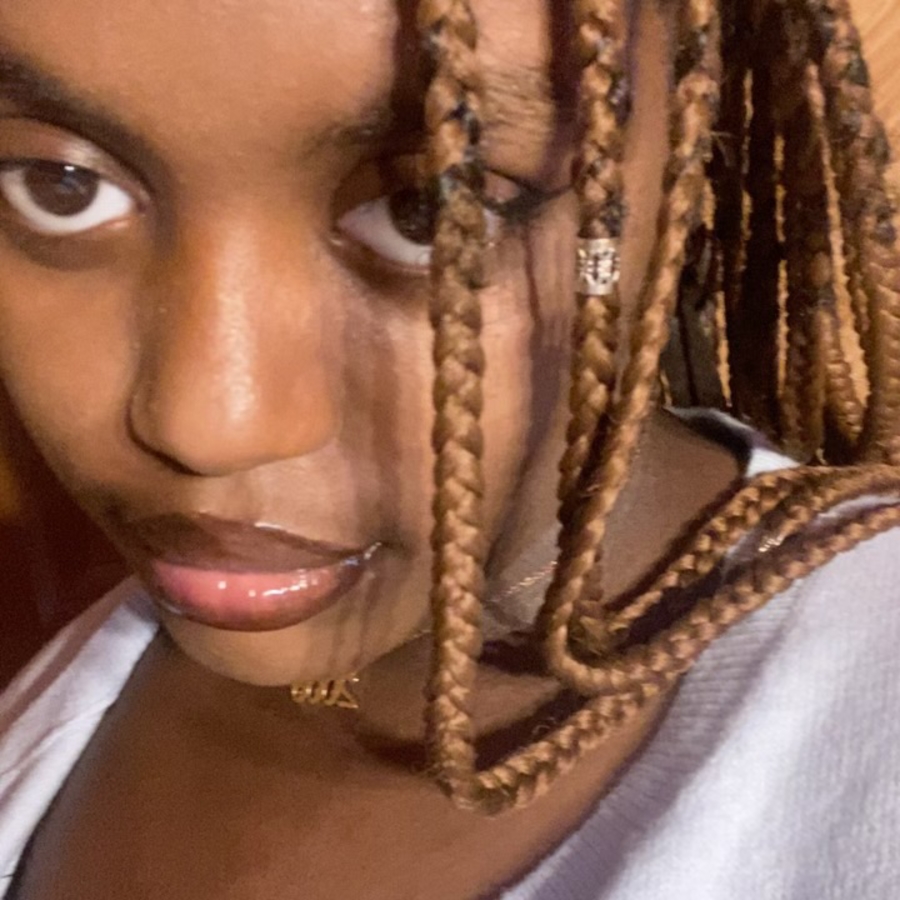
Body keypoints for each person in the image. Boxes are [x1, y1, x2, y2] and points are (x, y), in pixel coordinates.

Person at [1, 0, 900, 896]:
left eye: (430, 210)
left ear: (690, 156)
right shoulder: (98, 649)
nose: (206, 431)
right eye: (59, 186)